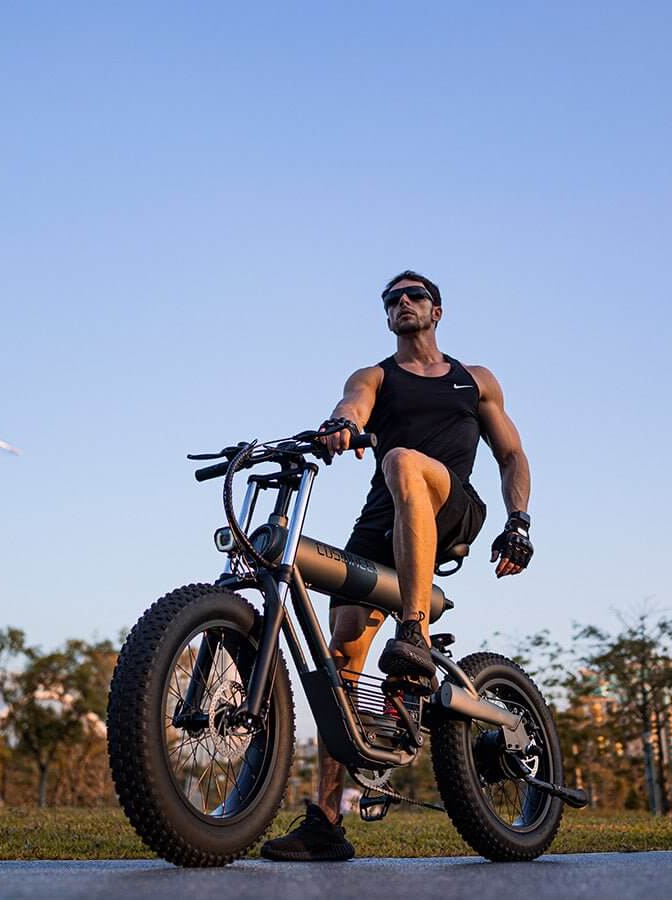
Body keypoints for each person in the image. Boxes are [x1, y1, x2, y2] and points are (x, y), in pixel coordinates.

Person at [261, 270, 533, 862]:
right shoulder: (376, 375)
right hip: (382, 523)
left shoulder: (475, 380)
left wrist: (519, 521)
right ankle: (328, 821)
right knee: (341, 662)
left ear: (438, 310)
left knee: (406, 460)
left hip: (452, 506)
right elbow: (351, 403)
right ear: (387, 317)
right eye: (392, 300)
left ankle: (414, 634)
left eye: (414, 296)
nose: (403, 303)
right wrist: (341, 424)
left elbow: (511, 454)